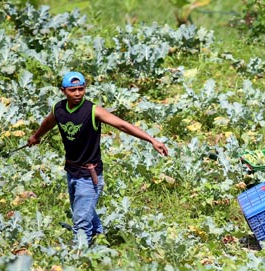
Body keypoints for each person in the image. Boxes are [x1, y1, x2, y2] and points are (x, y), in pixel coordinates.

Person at [28, 71, 169, 244]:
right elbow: (48, 122)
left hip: (89, 174)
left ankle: (79, 257)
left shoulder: (92, 111)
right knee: (83, 211)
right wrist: (36, 136)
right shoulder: (58, 109)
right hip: (71, 171)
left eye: (81, 89)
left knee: (80, 221)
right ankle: (99, 240)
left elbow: (123, 125)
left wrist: (151, 140)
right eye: (73, 90)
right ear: (63, 91)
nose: (78, 93)